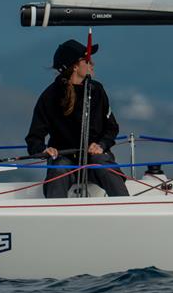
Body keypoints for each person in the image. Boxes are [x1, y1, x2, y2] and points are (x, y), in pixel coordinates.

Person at [25, 39, 129, 198]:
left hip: (94, 158)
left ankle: (125, 207)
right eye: (86, 60)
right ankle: (54, 212)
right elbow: (34, 137)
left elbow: (111, 128)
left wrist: (101, 145)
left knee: (104, 166)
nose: (92, 63)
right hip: (64, 159)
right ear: (74, 66)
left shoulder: (97, 90)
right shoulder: (50, 96)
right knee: (58, 170)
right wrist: (43, 150)